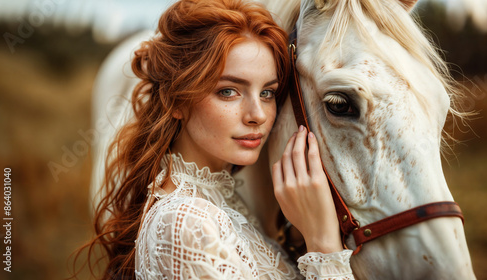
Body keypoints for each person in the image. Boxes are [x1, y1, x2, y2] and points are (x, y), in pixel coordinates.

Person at [72, 0, 354, 279]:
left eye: (266, 93)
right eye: (229, 91)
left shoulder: (220, 199)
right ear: (176, 101)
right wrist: (323, 247)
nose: (258, 115)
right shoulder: (185, 223)